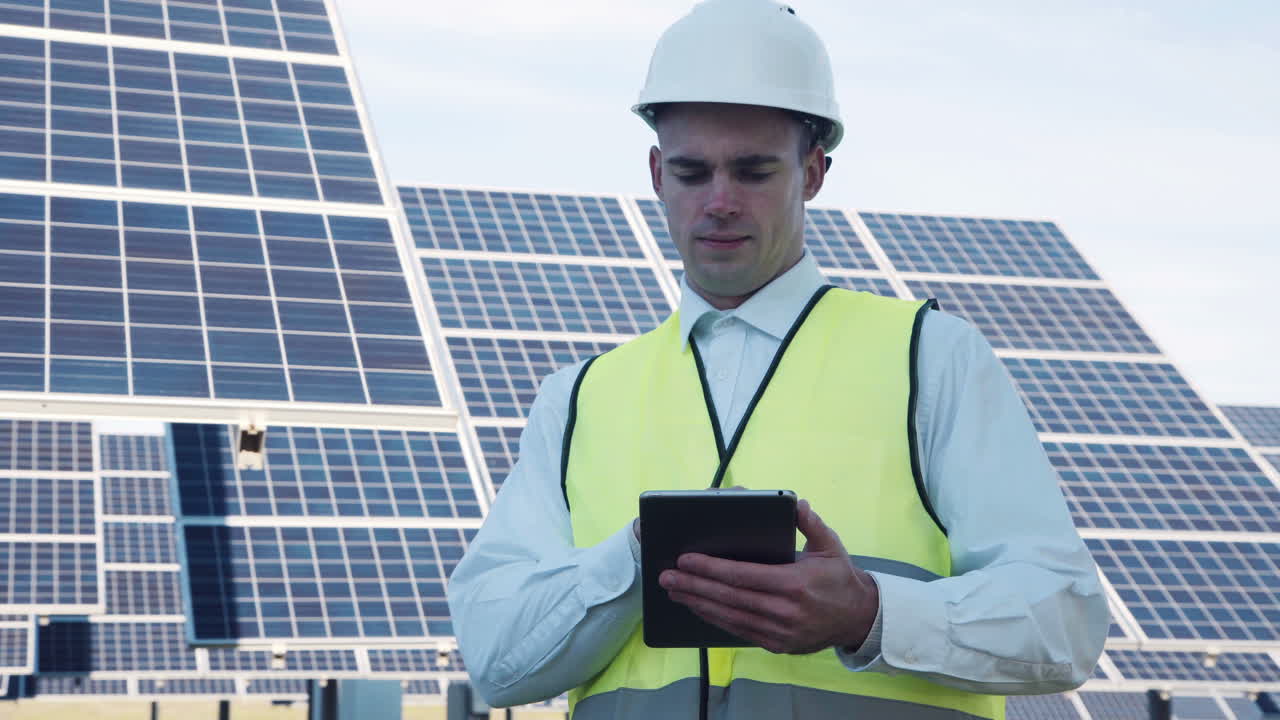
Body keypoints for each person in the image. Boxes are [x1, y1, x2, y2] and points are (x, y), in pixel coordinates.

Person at [447, 1, 1109, 717]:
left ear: (815, 172)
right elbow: (495, 660)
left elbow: (1066, 625)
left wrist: (869, 613)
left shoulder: (931, 357)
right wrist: (637, 558)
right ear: (655, 173)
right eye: (693, 173)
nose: (720, 202)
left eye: (754, 172)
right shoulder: (576, 400)